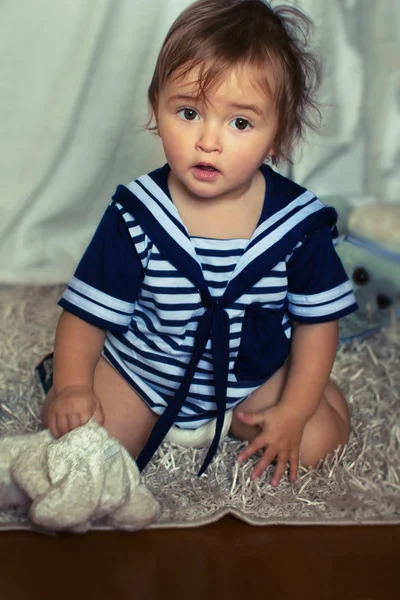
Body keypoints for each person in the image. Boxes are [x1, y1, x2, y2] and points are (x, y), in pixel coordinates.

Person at [39, 0, 358, 487]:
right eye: (188, 112)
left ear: (278, 135)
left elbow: (319, 324)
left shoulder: (299, 224)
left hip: (246, 380)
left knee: (318, 437)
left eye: (240, 123)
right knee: (79, 441)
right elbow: (86, 313)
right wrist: (73, 385)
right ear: (157, 108)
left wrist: (293, 410)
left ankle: (293, 402)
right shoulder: (137, 215)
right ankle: (71, 383)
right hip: (145, 374)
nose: (208, 141)